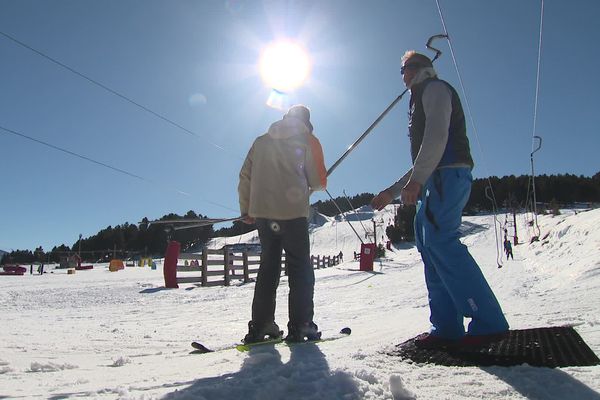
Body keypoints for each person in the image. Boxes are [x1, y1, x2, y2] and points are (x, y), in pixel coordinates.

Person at [371, 51, 509, 349]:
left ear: (417, 69)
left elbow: (437, 136)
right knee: (429, 247)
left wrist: (418, 179)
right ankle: (445, 327)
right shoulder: (418, 97)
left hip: (447, 174)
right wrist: (393, 191)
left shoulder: (434, 89)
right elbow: (425, 152)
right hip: (434, 178)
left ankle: (488, 322)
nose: (402, 76)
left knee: (441, 242)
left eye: (404, 69)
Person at [238, 104, 327, 343]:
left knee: (269, 267)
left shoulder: (261, 141)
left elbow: (245, 176)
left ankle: (261, 324)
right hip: (293, 214)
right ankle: (301, 324)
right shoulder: (308, 140)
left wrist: (246, 208)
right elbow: (319, 181)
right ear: (306, 122)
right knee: (299, 267)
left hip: (264, 215)